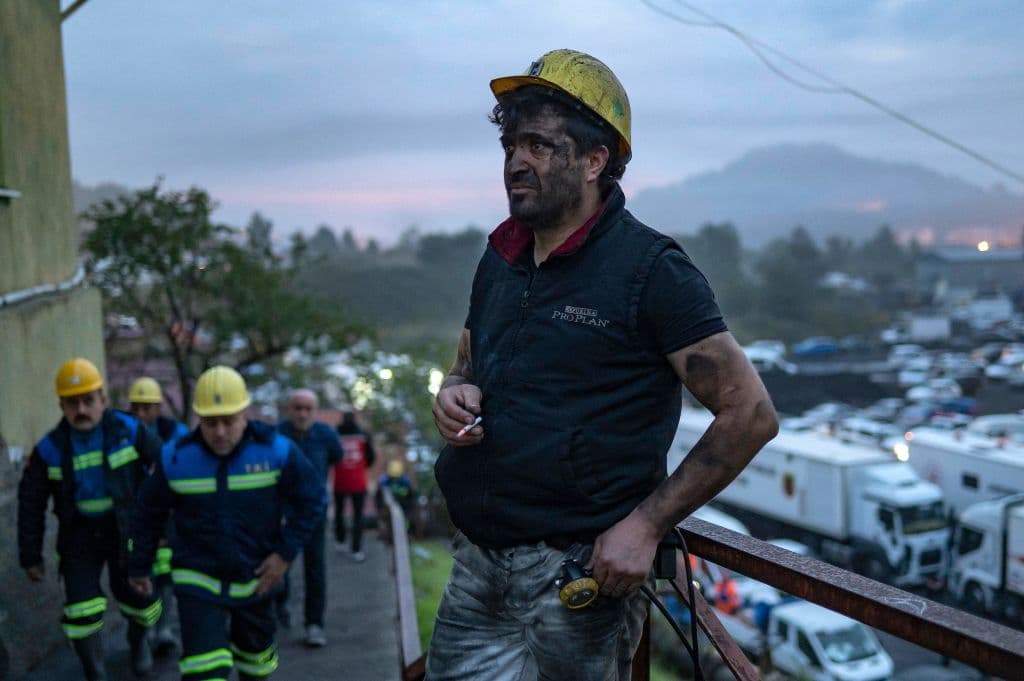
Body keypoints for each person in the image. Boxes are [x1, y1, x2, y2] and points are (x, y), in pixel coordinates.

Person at [427, 49, 778, 680]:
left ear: (596, 160)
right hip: (477, 565)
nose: (515, 162)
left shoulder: (650, 272)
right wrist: (452, 393)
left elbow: (749, 414)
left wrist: (645, 527)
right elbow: (465, 367)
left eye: (539, 144)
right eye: (510, 143)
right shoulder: (501, 258)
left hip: (577, 581)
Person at [127, 366, 324, 680]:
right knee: (205, 671)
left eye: (228, 421)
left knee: (256, 667)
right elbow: (147, 512)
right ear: (197, 418)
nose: (219, 432)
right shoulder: (176, 458)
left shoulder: (276, 451)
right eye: (210, 422)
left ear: (244, 413)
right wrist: (139, 564)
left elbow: (313, 500)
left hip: (256, 579)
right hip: (198, 582)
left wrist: (284, 555)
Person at [17, 358, 164, 680]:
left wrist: (163, 526)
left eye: (88, 401)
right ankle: (95, 673)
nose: (81, 409)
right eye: (73, 403)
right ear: (62, 405)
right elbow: (31, 502)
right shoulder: (50, 448)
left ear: (103, 399)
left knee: (139, 597)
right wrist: (30, 554)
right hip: (79, 535)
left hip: (125, 528)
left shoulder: (129, 430)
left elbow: (166, 472)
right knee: (81, 609)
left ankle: (139, 645)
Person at [126, 375, 190, 654]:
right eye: (136, 407)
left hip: (167, 519)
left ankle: (162, 629)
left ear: (158, 408)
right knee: (140, 575)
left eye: (147, 407)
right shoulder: (124, 435)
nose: (141, 414)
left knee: (165, 575)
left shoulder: (175, 434)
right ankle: (144, 632)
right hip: (135, 519)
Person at [275, 388, 342, 647]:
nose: (302, 413)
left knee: (315, 568)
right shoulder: (277, 435)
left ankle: (314, 624)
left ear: (315, 411)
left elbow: (337, 458)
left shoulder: (325, 435)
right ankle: (280, 604)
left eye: (307, 408)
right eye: (297, 408)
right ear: (289, 409)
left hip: (314, 512)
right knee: (280, 563)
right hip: (282, 513)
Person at [333, 409, 376, 562]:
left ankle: (340, 541)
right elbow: (371, 457)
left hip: (339, 480)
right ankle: (356, 549)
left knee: (339, 511)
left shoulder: (335, 434)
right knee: (358, 515)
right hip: (358, 481)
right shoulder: (363, 435)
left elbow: (331, 456)